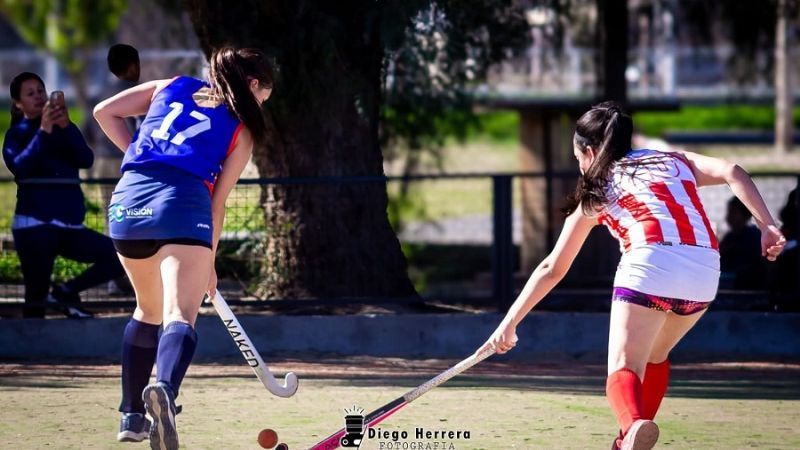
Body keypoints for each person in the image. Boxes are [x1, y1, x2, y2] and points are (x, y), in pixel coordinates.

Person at [477, 101, 786, 450]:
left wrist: (510, 322)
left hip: (649, 265)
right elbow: (732, 170)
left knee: (622, 368)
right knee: (654, 356)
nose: (580, 165)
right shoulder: (673, 159)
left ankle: (633, 426)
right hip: (703, 270)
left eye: (578, 158)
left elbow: (553, 268)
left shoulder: (598, 189)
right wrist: (768, 226)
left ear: (590, 152)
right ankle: (631, 440)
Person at [93, 47, 273, 449]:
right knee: (180, 313)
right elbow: (218, 202)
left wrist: (141, 155)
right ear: (253, 85)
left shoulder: (169, 85)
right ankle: (165, 391)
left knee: (147, 309)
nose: (260, 106)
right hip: (182, 203)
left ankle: (132, 417)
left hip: (128, 201)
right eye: (263, 98)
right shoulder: (241, 128)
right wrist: (208, 259)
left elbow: (103, 112)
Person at [2, 72, 125, 319]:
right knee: (35, 299)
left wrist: (66, 126)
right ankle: (34, 350)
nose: (38, 97)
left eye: (41, 91)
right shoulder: (17, 133)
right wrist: (43, 131)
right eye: (30, 93)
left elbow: (86, 159)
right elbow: (20, 167)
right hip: (35, 226)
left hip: (69, 226)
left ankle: (64, 292)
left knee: (116, 257)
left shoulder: (64, 128)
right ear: (17, 103)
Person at [718, 196, 765, 290]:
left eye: (733, 212)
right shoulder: (730, 237)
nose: (729, 216)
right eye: (729, 212)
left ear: (745, 214)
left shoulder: (754, 236)